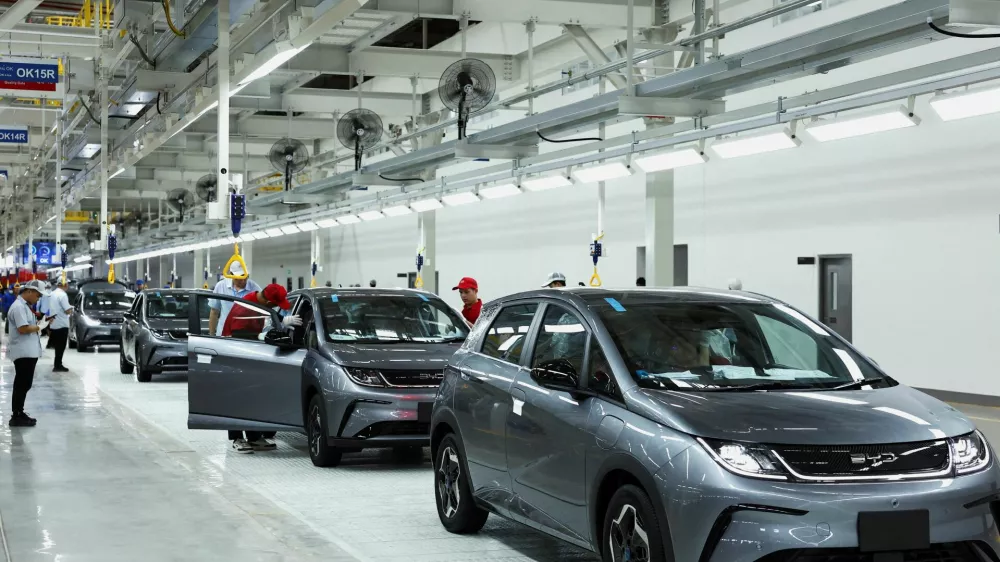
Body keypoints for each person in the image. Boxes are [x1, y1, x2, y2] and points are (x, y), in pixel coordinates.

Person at [220, 283, 301, 454]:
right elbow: (238, 335)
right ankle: (237, 438)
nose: (276, 308)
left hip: (249, 355)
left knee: (252, 396)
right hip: (235, 357)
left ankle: (254, 437)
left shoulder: (258, 306)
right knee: (238, 397)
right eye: (275, 305)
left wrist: (279, 322)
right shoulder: (245, 308)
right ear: (268, 301)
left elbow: (266, 320)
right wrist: (262, 336)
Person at [7, 280, 49, 427]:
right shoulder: (19, 307)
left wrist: (39, 324)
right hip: (23, 352)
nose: (38, 298)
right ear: (29, 291)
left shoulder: (25, 306)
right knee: (22, 383)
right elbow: (23, 328)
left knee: (25, 383)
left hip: (28, 352)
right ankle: (16, 415)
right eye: (37, 295)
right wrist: (39, 327)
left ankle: (19, 412)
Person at [208, 262, 262, 336]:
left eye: (245, 277)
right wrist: (211, 335)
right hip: (223, 336)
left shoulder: (255, 289)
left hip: (246, 337)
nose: (243, 281)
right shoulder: (221, 286)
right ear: (231, 274)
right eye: (239, 278)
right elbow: (214, 312)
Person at [47, 279, 73, 372]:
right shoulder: (62, 295)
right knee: (61, 346)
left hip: (54, 324)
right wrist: (71, 309)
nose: (68, 286)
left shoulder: (52, 294)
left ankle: (57, 364)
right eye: (67, 284)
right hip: (62, 324)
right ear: (64, 284)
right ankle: (58, 365)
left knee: (57, 346)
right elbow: (67, 310)